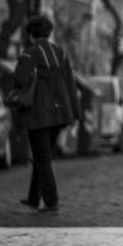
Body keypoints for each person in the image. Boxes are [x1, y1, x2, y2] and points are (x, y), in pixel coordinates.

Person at [12, 14, 79, 213]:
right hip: (60, 114)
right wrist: (74, 114)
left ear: (31, 34)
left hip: (38, 114)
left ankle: (51, 201)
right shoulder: (60, 53)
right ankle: (34, 197)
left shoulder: (29, 54)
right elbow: (70, 83)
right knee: (43, 156)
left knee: (41, 158)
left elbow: (20, 79)